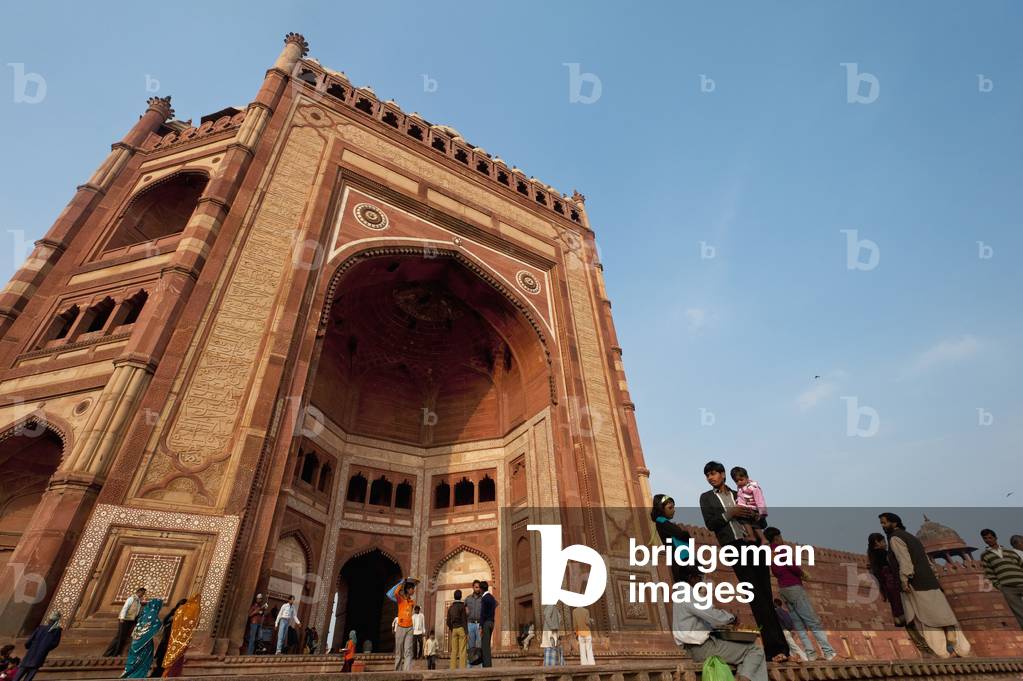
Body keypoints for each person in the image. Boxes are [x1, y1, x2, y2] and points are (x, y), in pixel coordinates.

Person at [699, 461, 789, 662]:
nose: (710, 478)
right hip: (734, 546)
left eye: (713, 474)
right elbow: (711, 524)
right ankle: (773, 650)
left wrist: (754, 514)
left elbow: (762, 520)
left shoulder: (739, 491)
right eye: (707, 475)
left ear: (722, 474)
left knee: (766, 593)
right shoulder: (706, 498)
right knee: (755, 596)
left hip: (754, 545)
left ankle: (782, 649)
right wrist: (731, 513)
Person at [880, 512, 971, 658]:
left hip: (916, 583)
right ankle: (962, 648)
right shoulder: (912, 538)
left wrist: (904, 581)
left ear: (894, 523)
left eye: (884, 523)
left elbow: (905, 561)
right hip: (930, 582)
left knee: (926, 620)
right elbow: (928, 562)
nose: (883, 526)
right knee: (944, 616)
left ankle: (941, 653)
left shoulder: (895, 538)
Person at [672, 569, 767, 681]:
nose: (701, 581)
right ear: (691, 577)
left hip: (693, 648)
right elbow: (713, 615)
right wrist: (732, 618)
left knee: (746, 662)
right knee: (754, 650)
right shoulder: (688, 593)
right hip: (701, 648)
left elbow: (704, 617)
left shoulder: (681, 593)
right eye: (699, 578)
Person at [765, 527, 838, 660]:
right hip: (794, 587)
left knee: (798, 624)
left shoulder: (770, 552)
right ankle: (829, 652)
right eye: (781, 537)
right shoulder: (781, 549)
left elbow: (775, 572)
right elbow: (791, 566)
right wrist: (802, 573)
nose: (782, 539)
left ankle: (811, 654)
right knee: (812, 621)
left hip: (783, 589)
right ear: (777, 537)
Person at [979, 529, 1023, 629]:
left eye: (990, 537)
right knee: (1020, 613)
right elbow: (989, 573)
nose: (988, 540)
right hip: (1007, 587)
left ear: (995, 538)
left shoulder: (1009, 552)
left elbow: (1021, 565)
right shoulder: (985, 555)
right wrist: (999, 586)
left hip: (1021, 581)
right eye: (985, 539)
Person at [651, 494, 692, 583]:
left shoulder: (663, 522)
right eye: (670, 508)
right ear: (661, 508)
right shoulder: (662, 522)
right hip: (681, 562)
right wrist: (686, 534)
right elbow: (680, 534)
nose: (673, 510)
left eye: (673, 507)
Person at [867, 533, 905, 626]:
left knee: (894, 602)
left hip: (885, 584)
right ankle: (902, 617)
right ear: (877, 542)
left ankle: (898, 618)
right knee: (899, 601)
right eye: (883, 541)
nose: (886, 543)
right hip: (891, 580)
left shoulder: (872, 556)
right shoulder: (883, 553)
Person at [13, 612, 62, 681]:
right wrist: (45, 648)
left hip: (30, 653)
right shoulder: (57, 630)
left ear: (49, 620)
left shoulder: (40, 628)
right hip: (40, 655)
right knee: (30, 675)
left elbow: (29, 641)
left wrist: (29, 647)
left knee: (19, 673)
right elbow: (55, 643)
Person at [160, 595, 200, 677]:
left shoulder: (186, 614)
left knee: (175, 658)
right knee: (173, 658)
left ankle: (169, 674)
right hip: (173, 638)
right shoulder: (183, 613)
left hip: (176, 639)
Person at [123, 598, 163, 678]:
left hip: (136, 642)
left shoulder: (143, 614)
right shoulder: (154, 616)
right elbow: (158, 626)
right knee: (143, 659)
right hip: (145, 643)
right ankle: (139, 675)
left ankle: (129, 673)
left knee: (134, 659)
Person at [386, 577, 418, 671]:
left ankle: (406, 672)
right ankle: (397, 672)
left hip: (409, 628)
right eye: (412, 589)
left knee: (408, 651)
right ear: (408, 590)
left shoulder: (412, 602)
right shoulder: (400, 600)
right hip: (400, 627)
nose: (414, 591)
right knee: (399, 652)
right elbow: (394, 593)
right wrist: (402, 582)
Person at [105, 587, 146, 657]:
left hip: (131, 620)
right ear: (139, 592)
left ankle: (116, 652)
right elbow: (125, 608)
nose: (143, 595)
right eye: (142, 593)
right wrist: (122, 618)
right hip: (125, 620)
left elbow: (136, 611)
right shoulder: (131, 599)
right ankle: (111, 653)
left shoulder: (138, 601)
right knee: (120, 637)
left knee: (123, 637)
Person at [731, 466, 768, 544]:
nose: (739, 482)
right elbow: (741, 498)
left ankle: (762, 538)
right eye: (736, 481)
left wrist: (762, 512)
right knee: (747, 522)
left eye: (741, 480)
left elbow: (760, 500)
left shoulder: (753, 488)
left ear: (747, 478)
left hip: (753, 509)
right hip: (746, 508)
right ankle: (752, 536)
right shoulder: (741, 488)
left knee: (755, 524)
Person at [151, 598, 187, 677]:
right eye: (180, 606)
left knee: (169, 661)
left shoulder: (185, 617)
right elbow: (164, 621)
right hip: (166, 639)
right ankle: (157, 674)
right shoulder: (172, 614)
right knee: (161, 658)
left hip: (174, 641)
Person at [446, 589, 468, 669]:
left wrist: (452, 628)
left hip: (454, 629)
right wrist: (466, 632)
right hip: (461, 629)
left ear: (454, 596)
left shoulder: (451, 607)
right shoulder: (462, 606)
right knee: (462, 650)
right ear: (461, 596)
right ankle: (462, 668)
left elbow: (448, 621)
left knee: (454, 650)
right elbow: (464, 620)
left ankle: (452, 668)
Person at [479, 580, 498, 667]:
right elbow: (496, 603)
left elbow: (482, 613)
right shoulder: (491, 597)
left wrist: (480, 626)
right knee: (487, 643)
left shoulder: (484, 598)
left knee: (485, 646)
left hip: (486, 623)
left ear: (482, 589)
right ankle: (488, 664)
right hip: (492, 622)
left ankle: (487, 666)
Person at [464, 580, 482, 665]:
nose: (478, 589)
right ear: (473, 587)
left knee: (479, 645)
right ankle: (470, 665)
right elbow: (463, 608)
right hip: (470, 624)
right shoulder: (468, 598)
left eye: (479, 587)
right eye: (476, 587)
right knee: (470, 646)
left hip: (479, 624)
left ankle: (480, 665)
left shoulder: (482, 598)